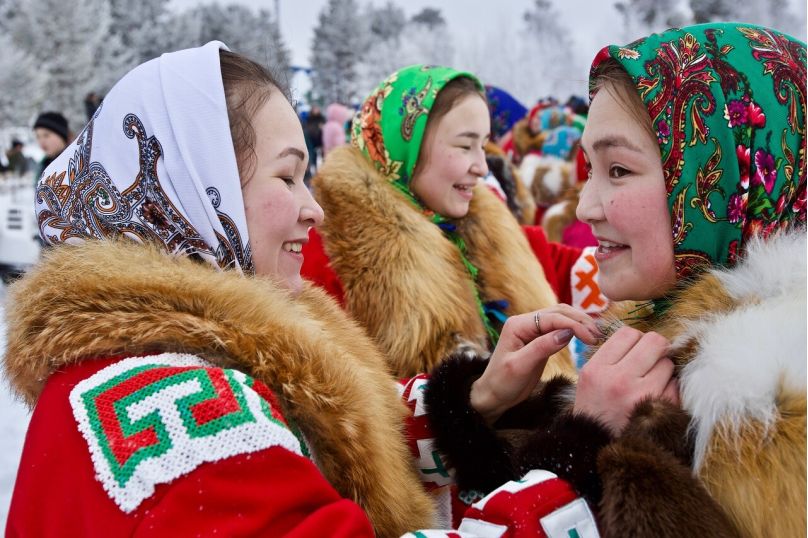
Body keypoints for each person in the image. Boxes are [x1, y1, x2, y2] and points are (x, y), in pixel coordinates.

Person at [3, 42, 603, 538]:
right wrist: (577, 484)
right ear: (194, 185)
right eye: (286, 175)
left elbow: (304, 429)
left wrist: (476, 399)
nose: (311, 207)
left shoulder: (153, 362)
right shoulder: (181, 420)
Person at [423, 22, 805, 537]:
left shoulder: (767, 413)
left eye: (619, 170)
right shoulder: (661, 351)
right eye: (589, 168)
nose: (584, 205)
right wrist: (490, 413)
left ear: (723, 181)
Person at [302, 65, 587, 379]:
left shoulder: (485, 229)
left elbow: (567, 263)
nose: (481, 166)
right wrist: (477, 399)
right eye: (465, 146)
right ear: (408, 145)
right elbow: (340, 404)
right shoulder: (328, 253)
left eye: (483, 145)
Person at [32, 111, 69, 180]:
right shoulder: (43, 165)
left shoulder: (76, 163)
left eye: (46, 135)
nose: (41, 141)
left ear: (61, 136)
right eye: (38, 136)